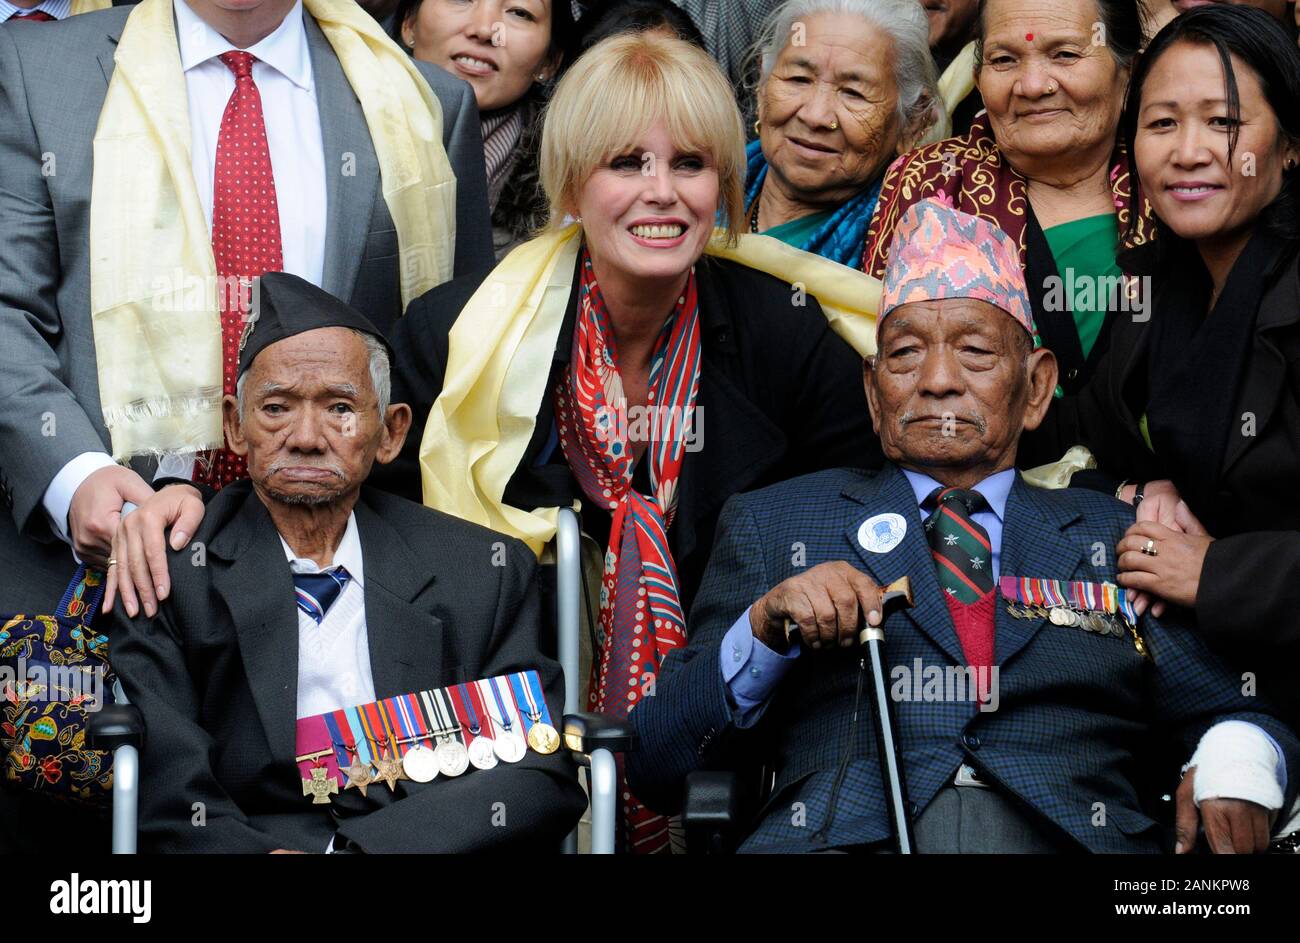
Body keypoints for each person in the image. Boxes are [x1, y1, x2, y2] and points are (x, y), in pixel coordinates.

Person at [627, 199, 1300, 854]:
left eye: (975, 352)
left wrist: (1233, 761)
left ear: (1036, 389)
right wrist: (765, 629)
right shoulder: (776, 522)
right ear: (872, 390)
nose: (938, 381)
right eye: (906, 355)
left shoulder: (1112, 536)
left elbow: (1238, 709)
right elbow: (658, 760)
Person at [392, 31, 885, 851]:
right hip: (503, 740)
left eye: (689, 164)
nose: (662, 193)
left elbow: (840, 535)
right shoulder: (461, 332)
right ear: (573, 185)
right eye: (627, 163)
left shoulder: (790, 336)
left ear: (722, 185)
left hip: (741, 740)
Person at [0, 0, 494, 619]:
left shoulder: (421, 102)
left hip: (340, 580)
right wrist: (74, 478)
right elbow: (7, 311)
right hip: (91, 575)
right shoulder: (39, 71)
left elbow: (460, 350)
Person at [108, 273, 585, 852]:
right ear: (235, 426)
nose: (306, 437)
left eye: (339, 408)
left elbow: (536, 769)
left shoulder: (482, 572)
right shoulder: (173, 569)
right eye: (277, 408)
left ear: (390, 432)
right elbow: (167, 787)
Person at [1025, 5, 1300, 730]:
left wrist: (1216, 573)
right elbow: (1064, 439)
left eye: (1223, 122)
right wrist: (1134, 485)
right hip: (1206, 677)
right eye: (1163, 123)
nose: (1189, 152)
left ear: (1291, 144)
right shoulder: (1150, 284)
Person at [864, 0, 1156, 398]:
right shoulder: (930, 181)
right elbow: (887, 361)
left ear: (1130, 72)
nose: (1033, 85)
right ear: (978, 76)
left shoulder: (1175, 181)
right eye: (1004, 60)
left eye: (1065, 55)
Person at [744, 0, 942, 267]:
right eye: (798, 79)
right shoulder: (700, 191)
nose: (815, 116)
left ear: (912, 123)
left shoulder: (913, 256)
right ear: (762, 86)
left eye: (853, 93)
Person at [394, 0, 579, 257]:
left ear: (550, 61)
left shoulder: (569, 192)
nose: (485, 30)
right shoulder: (334, 132)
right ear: (409, 23)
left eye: (519, 12)